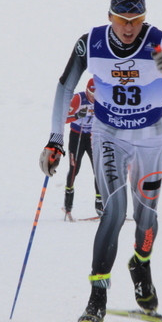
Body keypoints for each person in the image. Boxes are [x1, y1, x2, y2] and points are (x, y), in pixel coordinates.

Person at [39, 0, 162, 322]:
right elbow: (65, 85)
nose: (130, 27)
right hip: (109, 135)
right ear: (109, 16)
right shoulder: (90, 42)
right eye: (122, 19)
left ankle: (141, 264)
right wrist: (56, 139)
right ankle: (97, 298)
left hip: (150, 136)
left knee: (146, 215)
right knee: (114, 211)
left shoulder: (161, 42)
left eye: (136, 19)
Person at [62, 78, 102, 219]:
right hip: (77, 136)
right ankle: (68, 204)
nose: (93, 96)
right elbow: (64, 118)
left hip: (92, 137)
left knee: (98, 169)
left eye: (96, 93)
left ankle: (100, 204)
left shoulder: (102, 99)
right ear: (87, 90)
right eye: (91, 92)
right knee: (74, 169)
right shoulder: (78, 98)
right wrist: (76, 116)